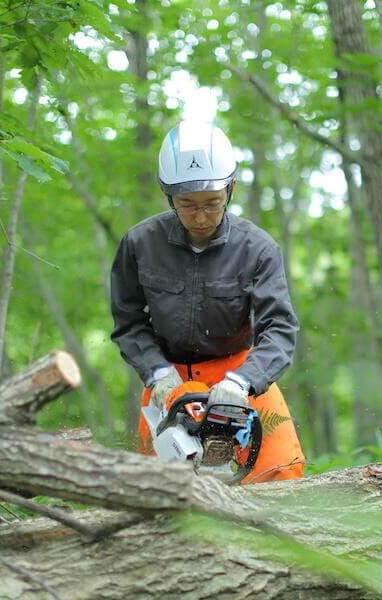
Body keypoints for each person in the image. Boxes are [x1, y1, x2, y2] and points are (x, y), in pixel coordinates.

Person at [109, 121, 305, 483]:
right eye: (188, 205)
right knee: (160, 492)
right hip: (169, 381)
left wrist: (243, 382)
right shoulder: (140, 245)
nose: (200, 217)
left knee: (281, 475)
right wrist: (158, 375)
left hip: (241, 374)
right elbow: (129, 323)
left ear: (230, 189)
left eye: (212, 204)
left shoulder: (257, 248)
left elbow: (279, 327)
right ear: (169, 196)